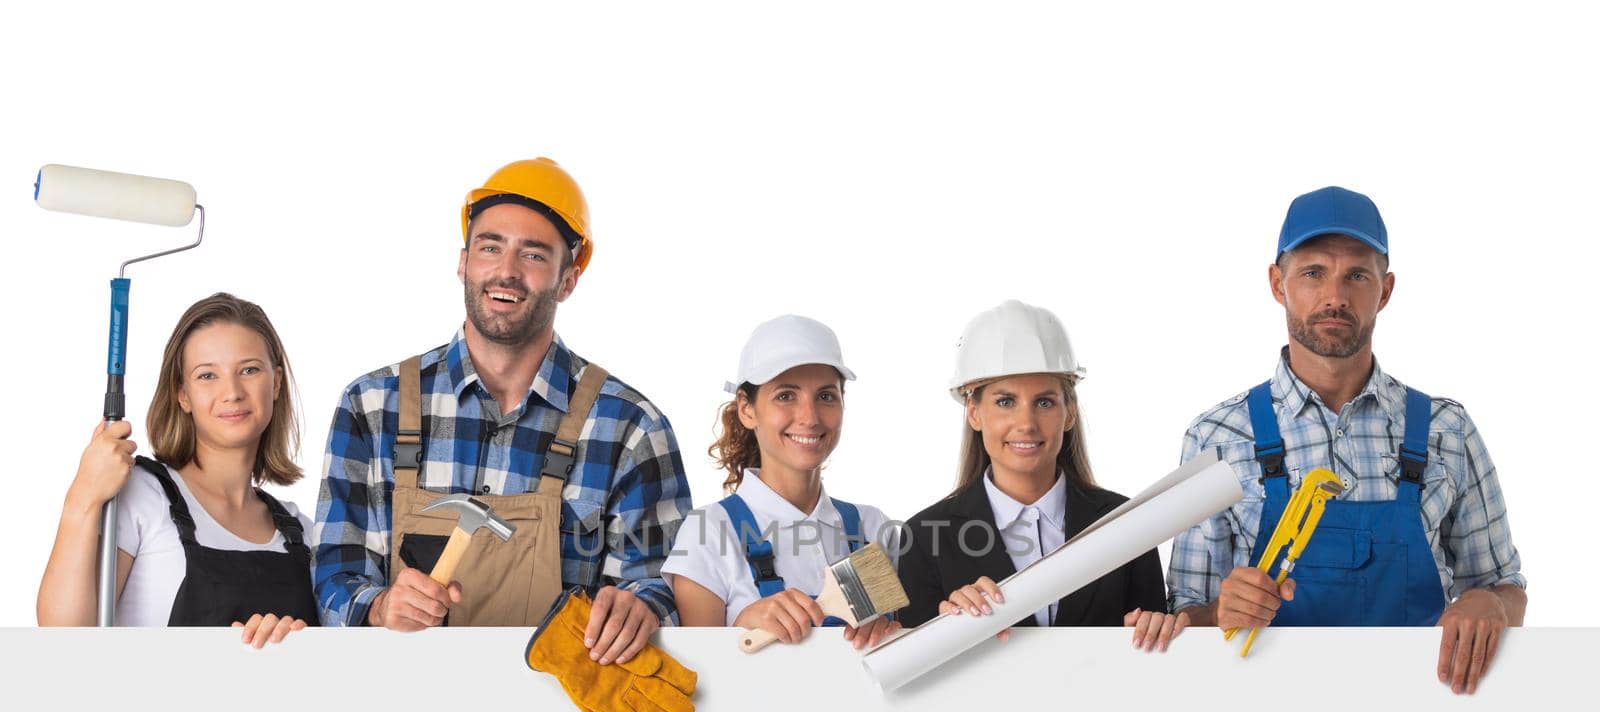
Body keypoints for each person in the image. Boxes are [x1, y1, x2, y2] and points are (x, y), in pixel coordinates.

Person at [313, 158, 691, 665]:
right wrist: (379, 607)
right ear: (463, 261)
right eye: (490, 248)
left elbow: (664, 592)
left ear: (568, 280)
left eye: (533, 255)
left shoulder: (629, 428)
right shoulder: (371, 406)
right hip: (399, 707)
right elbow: (332, 583)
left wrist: (639, 609)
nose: (506, 271)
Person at [1168, 186, 1526, 694]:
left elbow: (1506, 589)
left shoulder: (1448, 430)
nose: (1335, 296)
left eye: (1357, 275)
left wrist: (1490, 603)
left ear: (1385, 289)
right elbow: (1183, 618)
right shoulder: (1218, 438)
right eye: (1313, 273)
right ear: (1277, 283)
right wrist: (1219, 613)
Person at [38, 292, 315, 646]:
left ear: (276, 382)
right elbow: (64, 637)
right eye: (207, 376)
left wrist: (303, 646)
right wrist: (83, 498)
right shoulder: (141, 495)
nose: (231, 392)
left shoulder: (304, 535)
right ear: (182, 394)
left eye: (249, 370)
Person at [896, 300, 1175, 646]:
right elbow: (913, 680)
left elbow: (1153, 662)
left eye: (1044, 402)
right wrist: (945, 630)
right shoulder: (925, 539)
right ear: (973, 412)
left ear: (1069, 412)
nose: (1026, 424)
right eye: (1005, 402)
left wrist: (1156, 630)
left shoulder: (1127, 523)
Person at [663, 315, 899, 650]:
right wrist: (743, 625)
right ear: (747, 410)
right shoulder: (707, 532)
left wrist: (889, 633)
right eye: (786, 396)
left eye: (826, 396)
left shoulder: (871, 528)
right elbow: (697, 676)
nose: (810, 417)